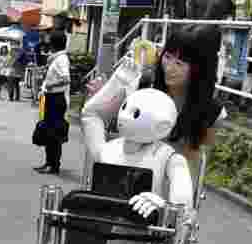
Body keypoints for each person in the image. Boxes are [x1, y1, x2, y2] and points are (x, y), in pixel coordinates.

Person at [83, 25, 225, 190]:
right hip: (124, 181)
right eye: (168, 57)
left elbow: (195, 160)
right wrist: (102, 96)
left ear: (200, 69)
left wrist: (182, 201)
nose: (170, 68)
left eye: (179, 63)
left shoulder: (212, 112)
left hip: (170, 191)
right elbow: (97, 118)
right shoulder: (141, 87)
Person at [36, 30, 71, 174]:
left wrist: (51, 85)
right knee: (47, 131)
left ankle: (54, 165)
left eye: (49, 42)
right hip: (51, 98)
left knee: (54, 133)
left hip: (56, 99)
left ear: (54, 44)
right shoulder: (56, 59)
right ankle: (48, 162)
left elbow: (66, 78)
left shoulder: (61, 59)